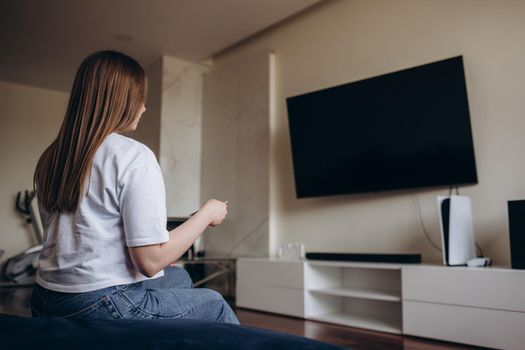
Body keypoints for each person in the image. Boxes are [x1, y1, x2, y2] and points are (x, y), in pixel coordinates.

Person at [30, 50, 239, 324]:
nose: (143, 107)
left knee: (180, 277)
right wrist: (207, 214)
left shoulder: (53, 157)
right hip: (99, 302)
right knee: (214, 304)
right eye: (140, 98)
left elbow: (93, 232)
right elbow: (150, 262)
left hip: (47, 297)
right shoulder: (133, 156)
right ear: (122, 100)